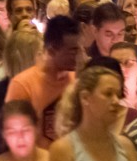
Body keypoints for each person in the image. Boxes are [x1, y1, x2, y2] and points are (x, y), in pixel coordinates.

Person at [5, 15, 81, 147]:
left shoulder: (75, 79)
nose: (79, 55)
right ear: (51, 51)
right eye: (73, 51)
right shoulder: (22, 85)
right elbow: (13, 138)